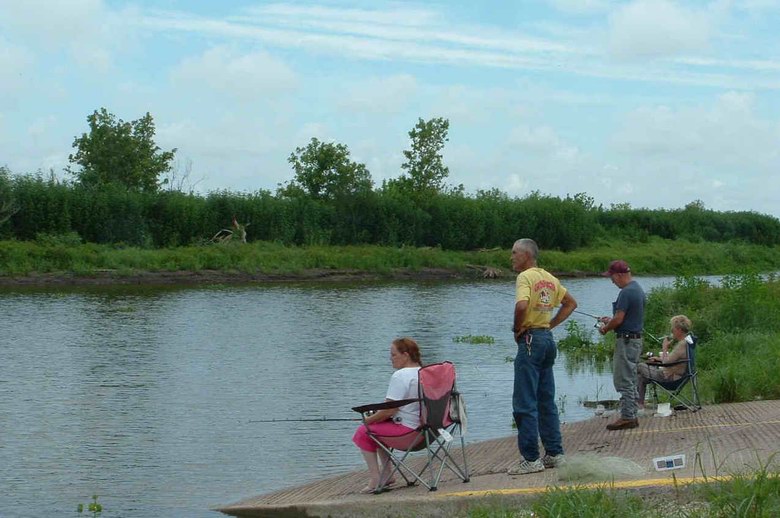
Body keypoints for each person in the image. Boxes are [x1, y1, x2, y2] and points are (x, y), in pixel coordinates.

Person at [507, 238, 577, 475]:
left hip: (530, 341)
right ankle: (555, 454)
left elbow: (521, 306)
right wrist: (550, 324)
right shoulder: (550, 278)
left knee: (524, 401)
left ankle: (530, 458)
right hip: (546, 339)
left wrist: (518, 328)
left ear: (526, 255)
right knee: (546, 399)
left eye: (515, 252)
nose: (511, 257)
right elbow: (570, 303)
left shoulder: (525, 277)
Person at [352, 337, 422, 493]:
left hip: (409, 434)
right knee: (378, 427)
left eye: (393, 355)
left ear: (406, 355)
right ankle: (387, 474)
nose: (390, 359)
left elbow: (389, 410)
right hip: (429, 432)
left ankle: (376, 479)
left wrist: (366, 420)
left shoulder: (401, 375)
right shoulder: (423, 372)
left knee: (363, 432)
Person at [598, 259, 646, 431]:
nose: (611, 280)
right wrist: (611, 321)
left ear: (619, 275)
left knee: (623, 378)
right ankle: (631, 413)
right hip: (634, 339)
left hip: (626, 341)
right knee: (631, 377)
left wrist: (606, 328)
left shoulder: (626, 292)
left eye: (612, 277)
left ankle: (627, 417)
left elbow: (619, 319)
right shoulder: (637, 289)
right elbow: (625, 318)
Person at [637, 315, 693, 409]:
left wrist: (665, 347)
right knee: (640, 377)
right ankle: (639, 404)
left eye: (673, 329)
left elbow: (666, 363)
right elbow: (673, 359)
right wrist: (659, 359)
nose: (672, 332)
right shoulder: (687, 341)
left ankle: (635, 402)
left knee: (639, 366)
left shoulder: (681, 345)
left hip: (669, 377)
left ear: (679, 330)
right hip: (680, 375)